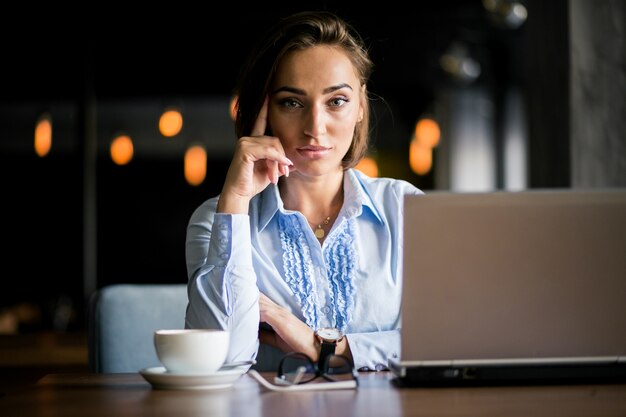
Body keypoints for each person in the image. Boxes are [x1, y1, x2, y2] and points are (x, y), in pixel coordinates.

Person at [184, 10, 423, 372]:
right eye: (292, 102)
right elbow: (223, 359)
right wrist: (235, 199)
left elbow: (443, 344)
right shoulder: (216, 221)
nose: (316, 127)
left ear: (360, 105)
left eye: (336, 101)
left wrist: (325, 347)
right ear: (262, 112)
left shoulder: (407, 209)